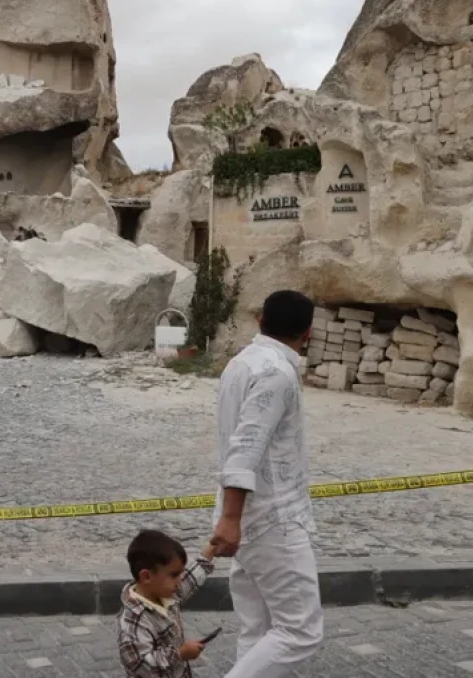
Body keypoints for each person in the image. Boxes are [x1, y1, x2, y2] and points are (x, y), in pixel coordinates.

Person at [210, 290, 323, 678]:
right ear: (307, 334)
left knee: (257, 629)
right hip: (272, 519)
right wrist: (230, 519)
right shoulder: (276, 373)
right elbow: (246, 447)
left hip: (247, 519)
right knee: (300, 631)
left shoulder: (241, 363)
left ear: (260, 320)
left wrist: (231, 518)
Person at [117, 529, 217, 677]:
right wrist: (180, 655)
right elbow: (141, 666)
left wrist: (212, 550)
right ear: (146, 576)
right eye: (174, 575)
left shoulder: (165, 593)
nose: (179, 581)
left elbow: (190, 579)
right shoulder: (133, 621)